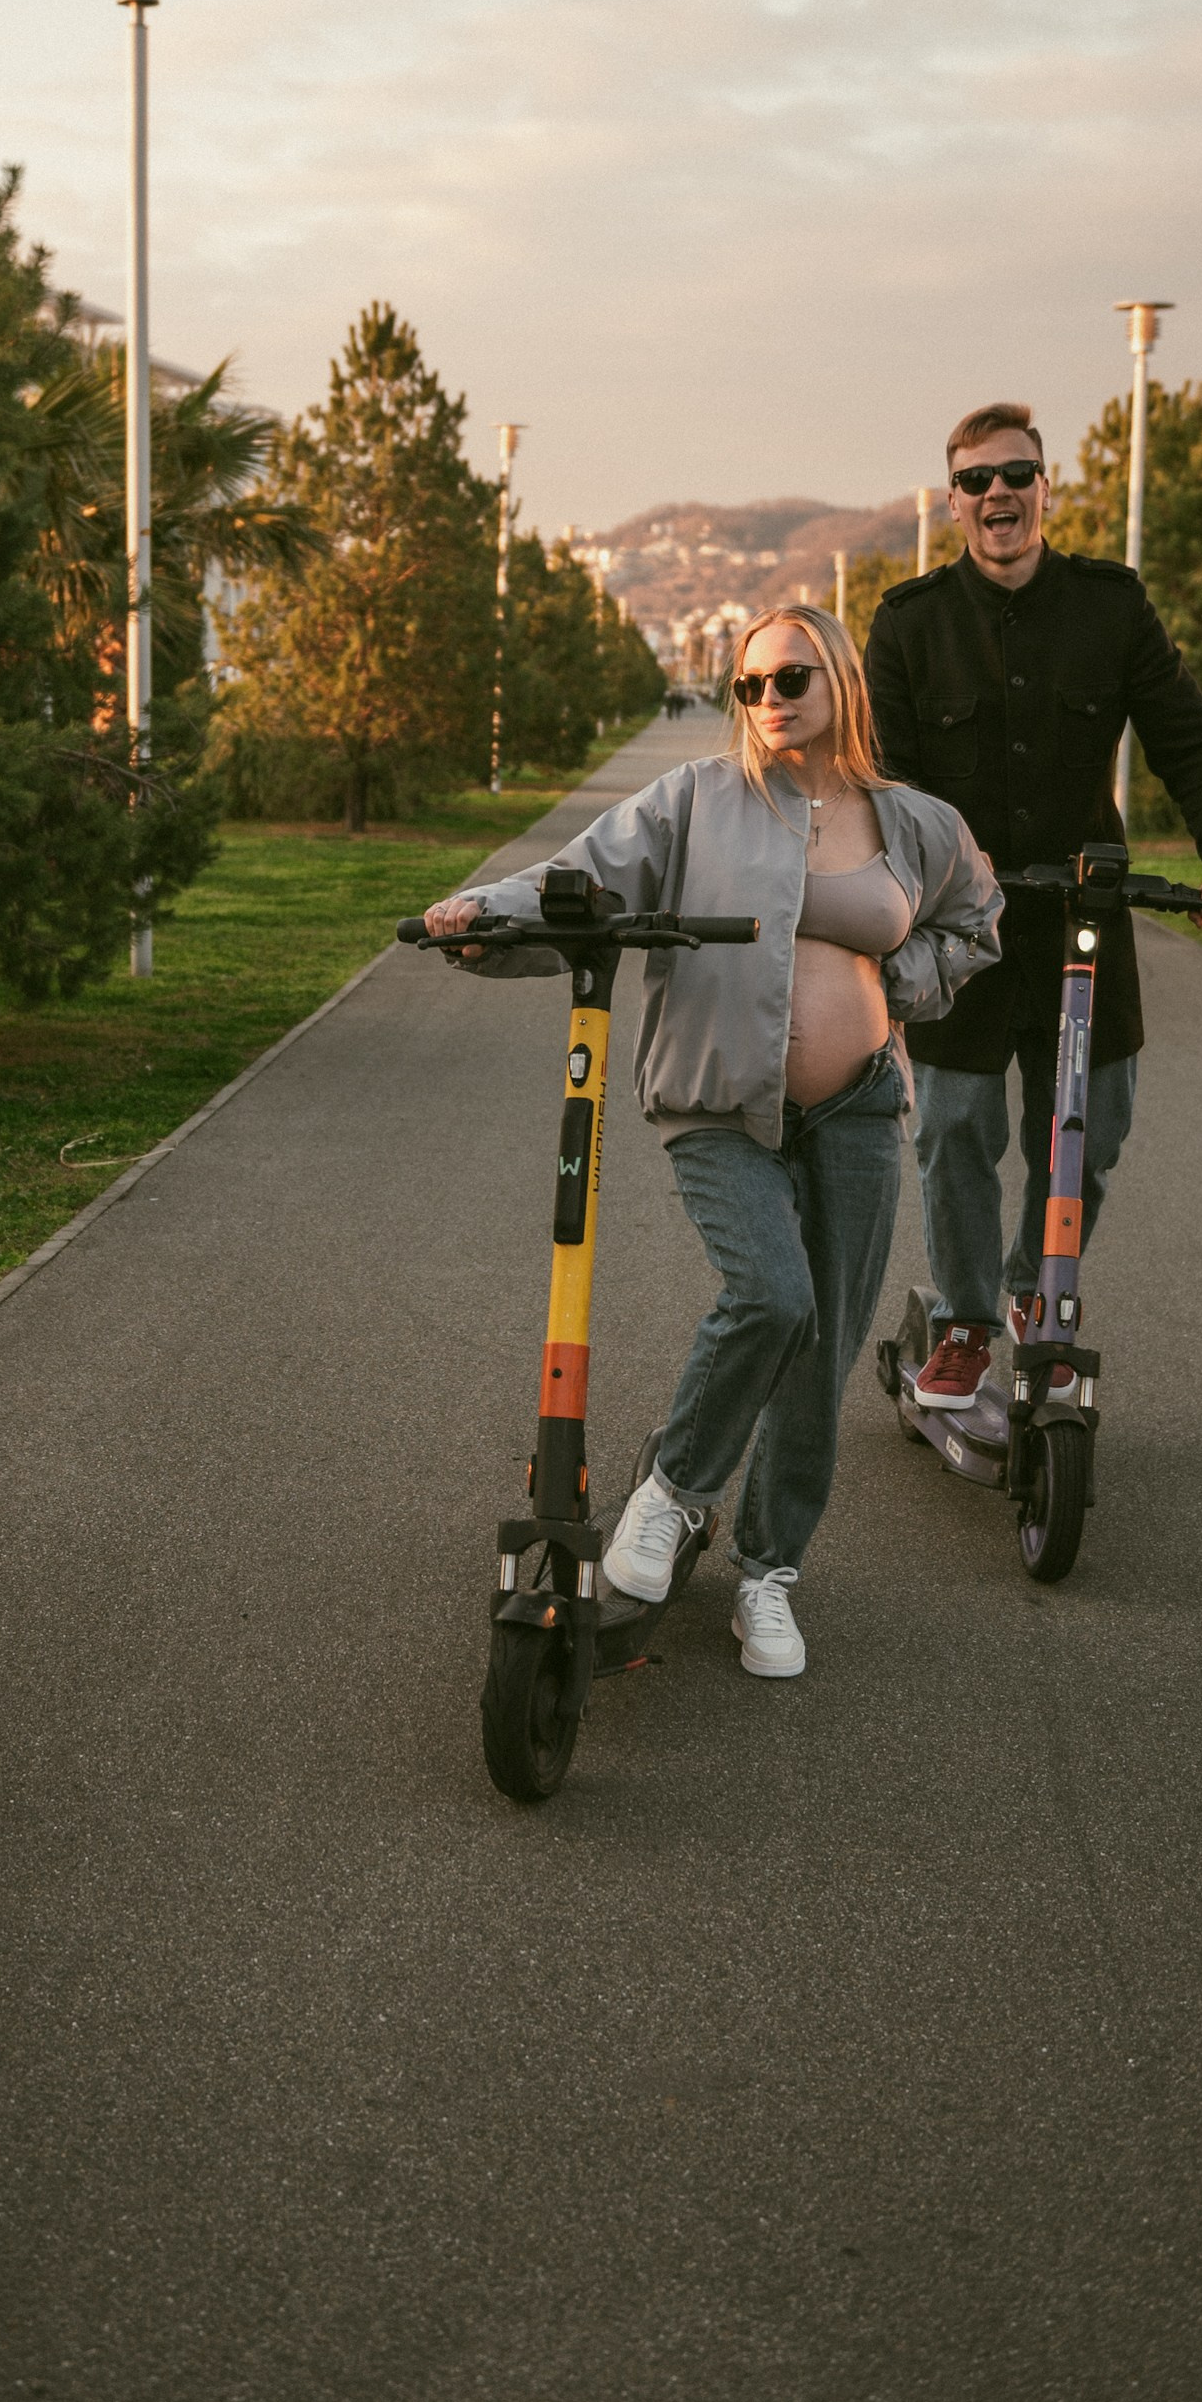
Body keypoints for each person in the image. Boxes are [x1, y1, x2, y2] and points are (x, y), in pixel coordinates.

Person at [424, 604, 1000, 1681]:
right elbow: (584, 881)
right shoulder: (695, 802)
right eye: (750, 686)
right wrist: (481, 916)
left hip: (859, 1110)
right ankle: (676, 1493)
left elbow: (975, 919)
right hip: (716, 1103)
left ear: (836, 679)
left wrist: (894, 983)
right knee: (773, 1298)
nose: (769, 701)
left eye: (789, 679)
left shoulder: (910, 819)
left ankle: (769, 1572)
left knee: (821, 1353)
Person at [864, 401, 1202, 1411]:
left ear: (1046, 486)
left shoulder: (1110, 608)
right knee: (955, 1125)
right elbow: (883, 776)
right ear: (953, 499)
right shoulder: (910, 623)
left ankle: (1024, 1289)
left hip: (1085, 921)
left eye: (1016, 474)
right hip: (960, 929)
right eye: (975, 481)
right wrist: (950, 857)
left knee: (1095, 1121)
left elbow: (1186, 735)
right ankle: (960, 1320)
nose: (997, 493)